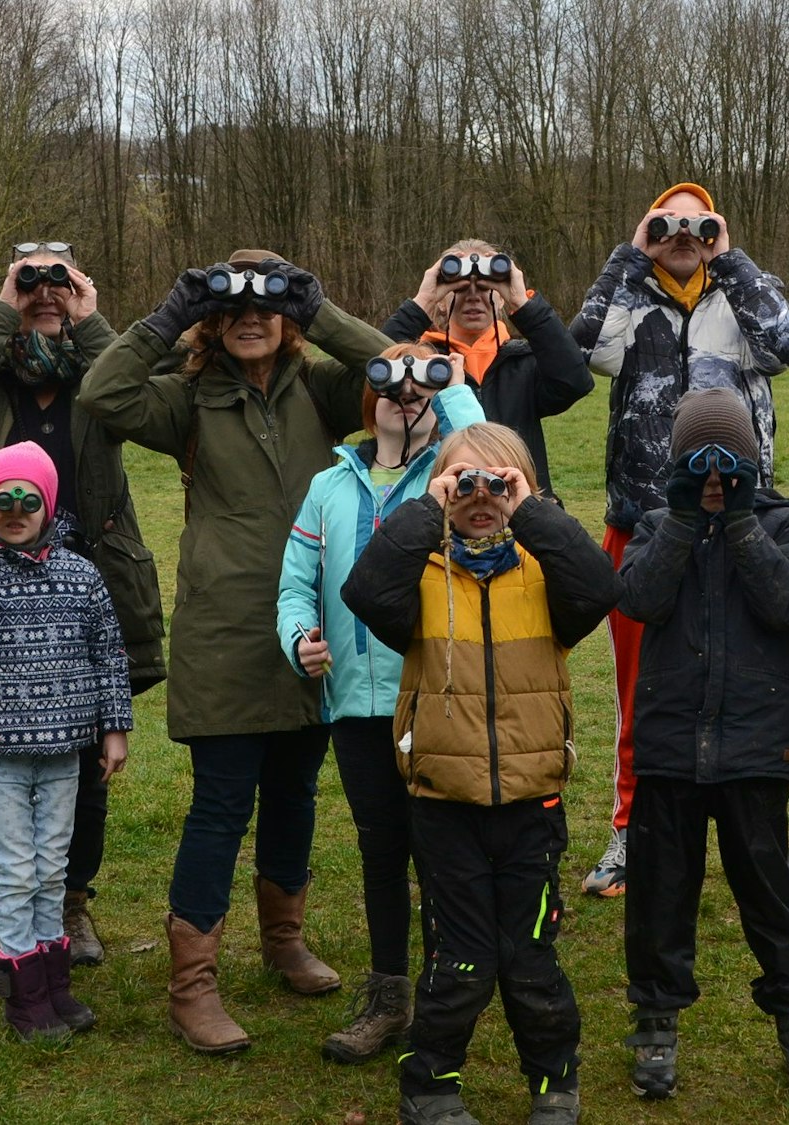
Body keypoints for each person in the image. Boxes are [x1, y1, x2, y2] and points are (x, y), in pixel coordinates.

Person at [78, 249, 391, 1054]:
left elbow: (392, 370)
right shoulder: (188, 400)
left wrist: (317, 308)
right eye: (233, 306)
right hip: (223, 631)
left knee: (295, 791)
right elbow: (103, 392)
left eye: (271, 303)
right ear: (212, 321)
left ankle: (284, 940)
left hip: (313, 628)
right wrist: (170, 313)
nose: (252, 316)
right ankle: (194, 986)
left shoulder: (320, 390)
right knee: (222, 803)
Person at [0, 242, 167, 1000]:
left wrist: (87, 319)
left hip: (85, 587)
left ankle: (70, 905)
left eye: (60, 279)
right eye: (33, 280)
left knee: (84, 770)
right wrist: (6, 305)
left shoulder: (97, 375)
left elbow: (133, 383)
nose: (45, 292)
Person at [343, 422, 620, 1125]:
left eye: (497, 483)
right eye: (463, 481)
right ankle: (430, 1084)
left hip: (531, 803)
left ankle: (555, 1081)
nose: (480, 495)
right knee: (460, 957)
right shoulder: (422, 574)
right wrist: (427, 510)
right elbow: (366, 591)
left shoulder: (544, 572)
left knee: (531, 956)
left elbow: (599, 588)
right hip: (444, 802)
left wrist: (529, 512)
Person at [569, 181, 789, 897]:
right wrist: (627, 258)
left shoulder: (741, 296)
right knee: (637, 692)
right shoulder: (631, 301)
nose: (682, 235)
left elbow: (788, 344)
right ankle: (630, 831)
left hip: (741, 520)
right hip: (645, 524)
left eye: (696, 225)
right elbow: (581, 347)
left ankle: (768, 842)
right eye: (666, 224)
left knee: (753, 687)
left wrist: (731, 262)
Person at [614, 389, 789, 1101]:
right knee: (658, 896)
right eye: (699, 464)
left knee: (770, 894)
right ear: (677, 464)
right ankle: (655, 1019)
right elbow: (638, 598)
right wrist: (682, 516)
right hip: (670, 747)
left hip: (754, 748)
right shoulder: (656, 523)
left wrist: (740, 518)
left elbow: (785, 600)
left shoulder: (780, 520)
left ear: (754, 461)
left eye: (729, 463)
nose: (714, 477)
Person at [276, 343, 485, 1063]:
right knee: (380, 848)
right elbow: (295, 584)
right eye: (390, 384)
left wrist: (449, 384)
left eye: (419, 384)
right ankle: (390, 992)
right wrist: (299, 635)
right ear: (370, 397)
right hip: (355, 704)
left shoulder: (455, 478)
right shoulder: (330, 486)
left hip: (431, 690)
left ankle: (445, 991)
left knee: (440, 847)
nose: (405, 394)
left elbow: (480, 439)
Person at [0, 441, 134, 1042]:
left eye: (27, 499)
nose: (15, 511)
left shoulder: (79, 572)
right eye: (2, 499)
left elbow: (109, 653)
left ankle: (53, 985)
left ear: (48, 503)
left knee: (51, 871)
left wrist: (114, 727)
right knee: (13, 871)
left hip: (65, 749)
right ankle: (24, 997)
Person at [380, 241, 594, 502]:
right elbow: (375, 375)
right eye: (459, 287)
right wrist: (422, 301)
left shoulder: (523, 361)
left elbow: (574, 382)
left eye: (486, 286)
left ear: (501, 298)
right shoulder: (423, 364)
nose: (473, 295)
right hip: (441, 506)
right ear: (442, 301)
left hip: (519, 506)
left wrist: (523, 303)